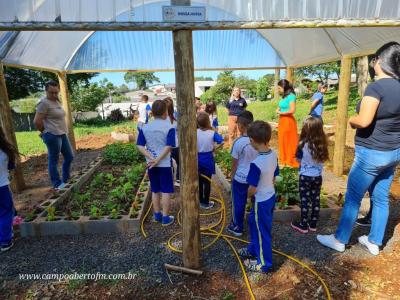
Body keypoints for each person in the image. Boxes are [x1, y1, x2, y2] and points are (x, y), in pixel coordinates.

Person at [317, 42, 400, 256]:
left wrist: (350, 120)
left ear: (379, 61)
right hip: (392, 153)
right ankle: (374, 241)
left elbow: (363, 121)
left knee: (353, 197)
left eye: (374, 61)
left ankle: (339, 239)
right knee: (381, 198)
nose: (373, 64)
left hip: (370, 154)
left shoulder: (376, 87)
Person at [238, 121, 279, 273]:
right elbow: (274, 176)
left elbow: (252, 189)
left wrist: (247, 197)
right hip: (270, 197)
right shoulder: (273, 155)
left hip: (260, 201)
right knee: (254, 225)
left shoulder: (256, 163)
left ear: (253, 141)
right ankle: (254, 249)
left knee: (262, 232)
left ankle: (264, 264)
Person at [136, 100, 175, 226]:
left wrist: (151, 158)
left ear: (152, 112)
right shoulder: (169, 127)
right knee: (166, 191)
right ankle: (165, 217)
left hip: (151, 164)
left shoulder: (145, 127)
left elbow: (140, 146)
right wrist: (158, 159)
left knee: (155, 190)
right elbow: (169, 146)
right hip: (164, 164)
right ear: (165, 112)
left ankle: (157, 215)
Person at [290, 116, 329, 233]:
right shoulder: (322, 144)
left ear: (306, 130)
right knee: (315, 199)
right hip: (317, 177)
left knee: (305, 200)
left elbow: (297, 159)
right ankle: (313, 224)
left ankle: (303, 225)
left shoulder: (302, 144)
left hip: (305, 176)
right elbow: (323, 159)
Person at [34, 80, 74, 189]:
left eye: (56, 92)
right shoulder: (43, 103)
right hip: (52, 135)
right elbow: (37, 121)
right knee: (54, 160)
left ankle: (65, 179)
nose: (54, 95)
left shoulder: (56, 101)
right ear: (46, 91)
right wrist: (45, 133)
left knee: (69, 156)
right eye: (51, 92)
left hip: (62, 134)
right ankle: (57, 183)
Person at [227, 111, 258, 236]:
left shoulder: (238, 142)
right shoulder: (257, 140)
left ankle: (237, 226)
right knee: (255, 201)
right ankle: (256, 225)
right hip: (255, 179)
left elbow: (234, 163)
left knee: (238, 202)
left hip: (240, 179)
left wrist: (232, 177)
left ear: (241, 125)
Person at [197, 112, 224, 209]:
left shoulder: (195, 132)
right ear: (208, 122)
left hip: (197, 159)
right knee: (207, 181)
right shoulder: (212, 133)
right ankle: (206, 202)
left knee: (199, 181)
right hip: (208, 159)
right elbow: (221, 141)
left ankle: (200, 201)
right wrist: (215, 148)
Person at [0, 127, 17, 252]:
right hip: (2, 186)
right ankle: (5, 241)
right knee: (5, 212)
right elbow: (11, 167)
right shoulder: (6, 150)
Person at [276, 79, 299, 168]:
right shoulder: (284, 97)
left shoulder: (291, 96)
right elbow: (280, 107)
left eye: (279, 88)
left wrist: (282, 113)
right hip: (282, 121)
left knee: (289, 141)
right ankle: (283, 159)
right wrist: (278, 110)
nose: (278, 90)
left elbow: (293, 110)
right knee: (282, 140)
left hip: (288, 121)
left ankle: (290, 159)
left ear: (284, 87)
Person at [164, 97, 180, 184]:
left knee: (168, 164)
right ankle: (178, 179)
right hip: (176, 145)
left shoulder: (161, 121)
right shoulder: (175, 121)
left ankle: (170, 180)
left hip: (165, 146)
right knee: (180, 163)